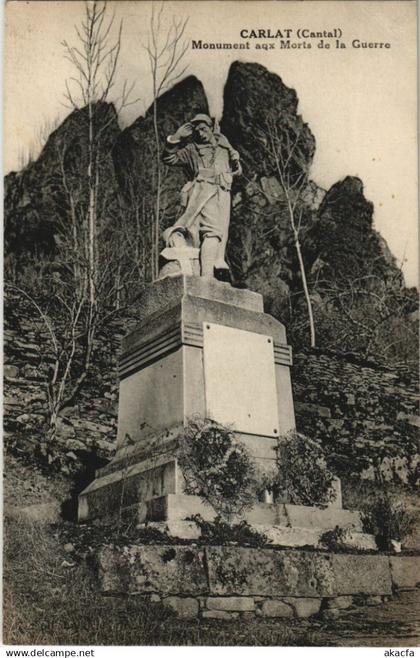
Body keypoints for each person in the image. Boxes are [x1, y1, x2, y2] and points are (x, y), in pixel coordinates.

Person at [162, 114, 242, 278]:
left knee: (219, 235)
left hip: (223, 194)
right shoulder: (192, 149)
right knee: (211, 232)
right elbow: (169, 158)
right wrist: (176, 137)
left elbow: (236, 172)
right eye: (197, 131)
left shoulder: (223, 147)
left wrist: (235, 161)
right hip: (203, 191)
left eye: (204, 129)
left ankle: (212, 267)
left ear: (212, 128)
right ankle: (206, 276)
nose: (200, 133)